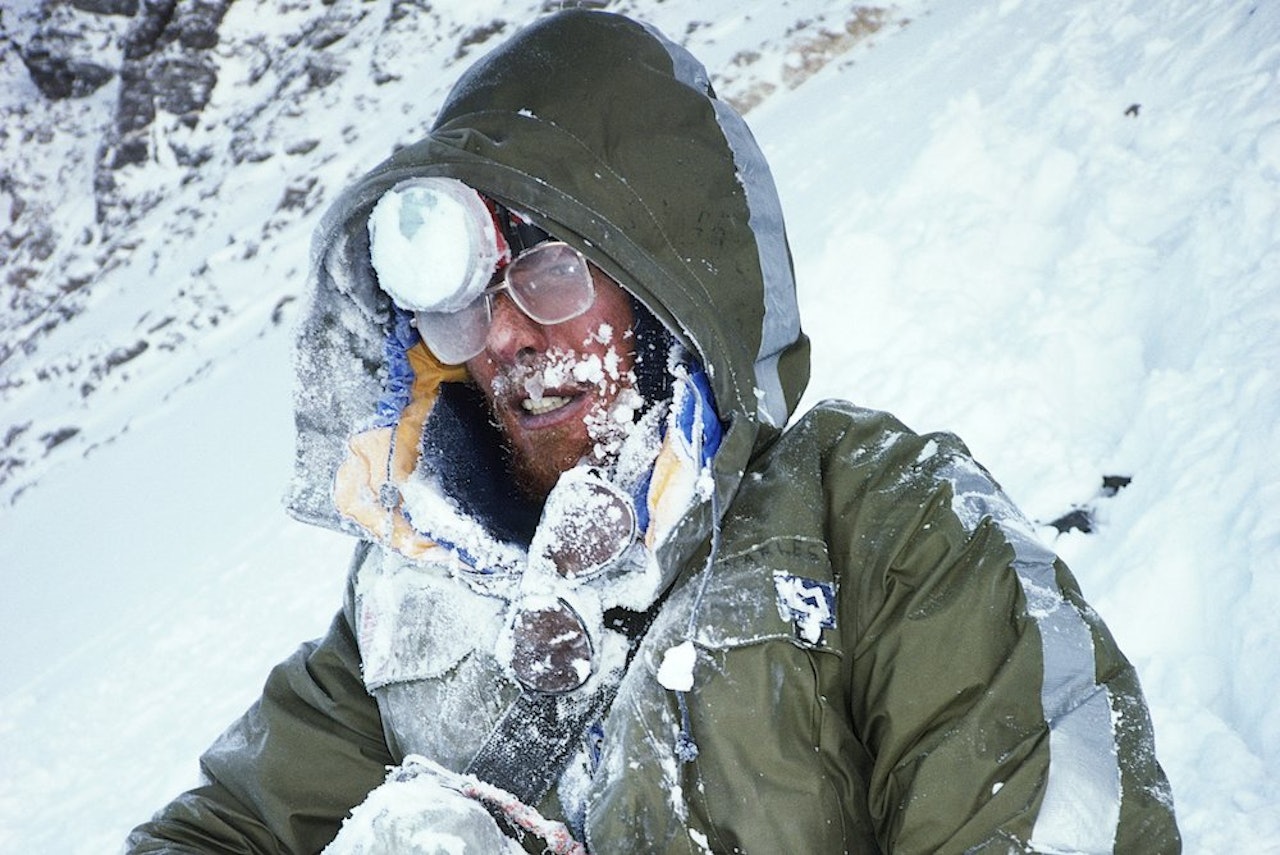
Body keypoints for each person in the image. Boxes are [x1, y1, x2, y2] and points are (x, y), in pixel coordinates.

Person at [127, 9, 1180, 854]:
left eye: (549, 272)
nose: (501, 337)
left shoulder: (881, 521)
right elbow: (225, 827)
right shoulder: (405, 606)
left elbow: (1047, 813)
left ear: (671, 280)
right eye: (466, 303)